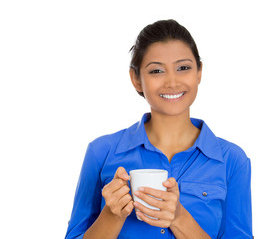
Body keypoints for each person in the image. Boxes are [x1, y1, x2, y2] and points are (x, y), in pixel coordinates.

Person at [65, 19, 253, 239]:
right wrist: (112, 215)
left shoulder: (232, 159)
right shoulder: (101, 152)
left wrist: (179, 218)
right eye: (156, 71)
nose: (172, 82)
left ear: (199, 72)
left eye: (183, 68)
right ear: (136, 79)